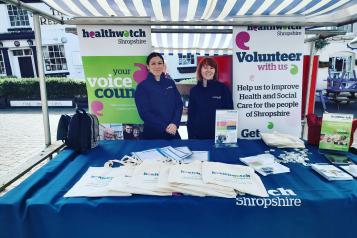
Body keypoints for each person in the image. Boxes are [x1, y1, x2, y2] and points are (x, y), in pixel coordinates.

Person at [135, 52, 183, 139]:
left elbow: (179, 104)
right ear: (148, 67)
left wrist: (175, 123)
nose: (157, 66)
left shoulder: (170, 83)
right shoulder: (142, 87)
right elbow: (145, 113)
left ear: (163, 65)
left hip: (173, 131)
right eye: (153, 63)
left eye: (160, 63)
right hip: (153, 134)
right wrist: (165, 127)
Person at [187, 57, 233, 139]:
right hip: (199, 138)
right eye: (205, 67)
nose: (208, 70)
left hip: (219, 137)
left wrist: (228, 138)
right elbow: (191, 117)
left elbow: (229, 114)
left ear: (215, 71)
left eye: (211, 68)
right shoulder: (194, 91)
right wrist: (191, 138)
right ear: (200, 70)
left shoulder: (223, 89)